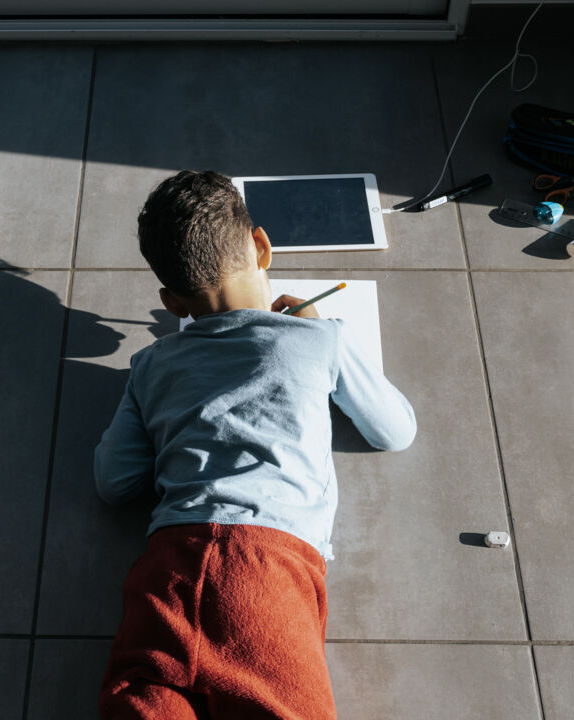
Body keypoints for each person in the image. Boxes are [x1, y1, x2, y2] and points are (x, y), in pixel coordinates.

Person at [94, 170, 417, 719]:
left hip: (169, 565)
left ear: (172, 302)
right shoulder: (320, 338)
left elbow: (114, 483)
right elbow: (395, 431)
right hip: (266, 568)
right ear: (262, 247)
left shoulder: (149, 366)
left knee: (142, 703)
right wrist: (330, 330)